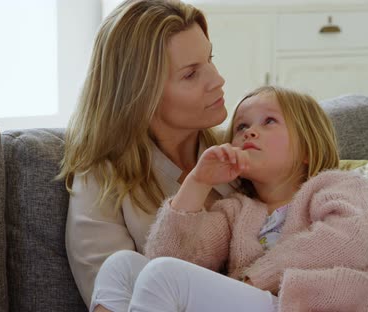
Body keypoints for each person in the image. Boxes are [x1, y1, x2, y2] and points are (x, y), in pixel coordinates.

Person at [91, 86, 368, 312]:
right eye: (242, 127)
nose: (250, 133)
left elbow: (350, 241)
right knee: (122, 266)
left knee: (163, 275)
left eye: (269, 121)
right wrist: (198, 181)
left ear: (308, 149)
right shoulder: (236, 210)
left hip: (309, 305)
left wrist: (255, 279)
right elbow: (167, 258)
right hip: (255, 302)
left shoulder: (337, 186)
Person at [58, 0, 234, 307]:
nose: (218, 80)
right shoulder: (101, 183)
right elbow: (116, 300)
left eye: (210, 59)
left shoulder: (241, 149)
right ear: (140, 94)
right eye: (191, 74)